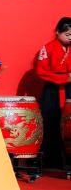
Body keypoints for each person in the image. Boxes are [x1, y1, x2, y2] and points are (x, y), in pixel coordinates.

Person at [34, 16, 71, 171]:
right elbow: (41, 71)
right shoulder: (47, 48)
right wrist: (64, 77)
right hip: (52, 89)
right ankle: (50, 161)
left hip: (69, 88)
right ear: (58, 32)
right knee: (50, 122)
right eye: (67, 34)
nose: (70, 37)